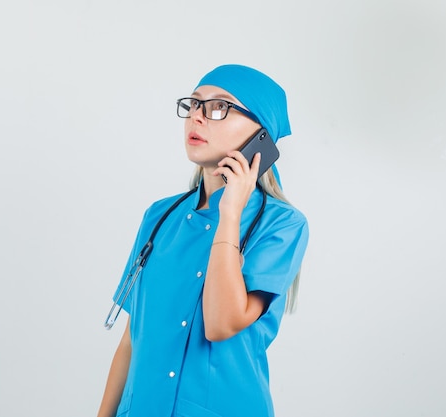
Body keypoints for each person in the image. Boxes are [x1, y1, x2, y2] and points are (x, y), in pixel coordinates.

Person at [97, 64, 309, 417]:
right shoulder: (160, 216)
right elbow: (131, 340)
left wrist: (230, 213)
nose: (197, 117)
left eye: (219, 107)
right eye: (193, 105)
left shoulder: (282, 225)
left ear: (261, 135)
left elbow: (220, 324)